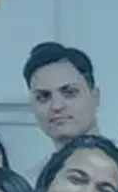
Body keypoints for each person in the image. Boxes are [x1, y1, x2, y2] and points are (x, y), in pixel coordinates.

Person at [23, 41, 104, 178]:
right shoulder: (32, 182)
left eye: (70, 93)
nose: (56, 106)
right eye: (43, 97)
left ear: (95, 97)